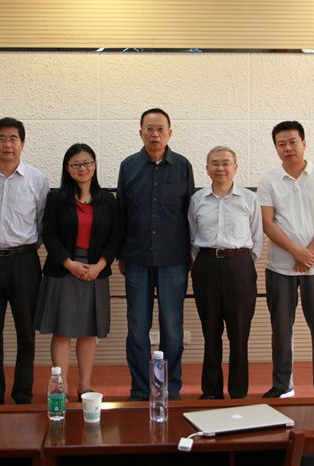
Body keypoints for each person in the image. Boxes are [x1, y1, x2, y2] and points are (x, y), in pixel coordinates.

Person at [257, 121, 314, 398]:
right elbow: (267, 223)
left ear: (304, 143)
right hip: (280, 267)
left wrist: (309, 253)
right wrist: (296, 251)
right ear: (276, 148)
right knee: (281, 330)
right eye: (281, 144)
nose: (288, 148)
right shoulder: (269, 180)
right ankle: (283, 385)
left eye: (293, 142)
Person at [116, 108, 195, 401]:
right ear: (140, 133)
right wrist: (121, 254)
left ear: (170, 133)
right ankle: (140, 388)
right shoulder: (129, 166)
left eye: (160, 129)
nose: (155, 134)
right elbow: (121, 212)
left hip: (174, 259)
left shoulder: (183, 166)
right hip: (136, 258)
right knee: (137, 327)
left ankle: (168, 387)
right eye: (149, 129)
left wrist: (191, 253)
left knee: (172, 328)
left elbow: (191, 213)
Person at [34, 143, 120, 400]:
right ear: (67, 168)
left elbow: (115, 238)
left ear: (94, 165)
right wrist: (69, 263)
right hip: (64, 269)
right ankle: (60, 388)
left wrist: (100, 265)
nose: (83, 168)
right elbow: (49, 235)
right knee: (62, 331)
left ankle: (85, 386)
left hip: (95, 270)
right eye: (76, 164)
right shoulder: (56, 199)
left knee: (88, 332)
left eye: (87, 163)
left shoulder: (108, 200)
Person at [0, 117, 50, 404]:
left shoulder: (37, 180)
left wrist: (24, 248)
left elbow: (41, 223)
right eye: (2, 138)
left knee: (25, 333)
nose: (8, 144)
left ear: (23, 143)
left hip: (24, 261)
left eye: (13, 138)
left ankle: (22, 393)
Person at [188, 146, 263, 400]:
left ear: (235, 167)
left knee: (239, 333)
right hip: (206, 266)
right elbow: (192, 235)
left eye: (226, 163)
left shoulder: (249, 199)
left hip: (239, 267)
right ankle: (211, 390)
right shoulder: (197, 199)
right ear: (207, 168)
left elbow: (257, 237)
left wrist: (243, 263)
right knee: (210, 332)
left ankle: (238, 390)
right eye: (215, 163)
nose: (220, 168)